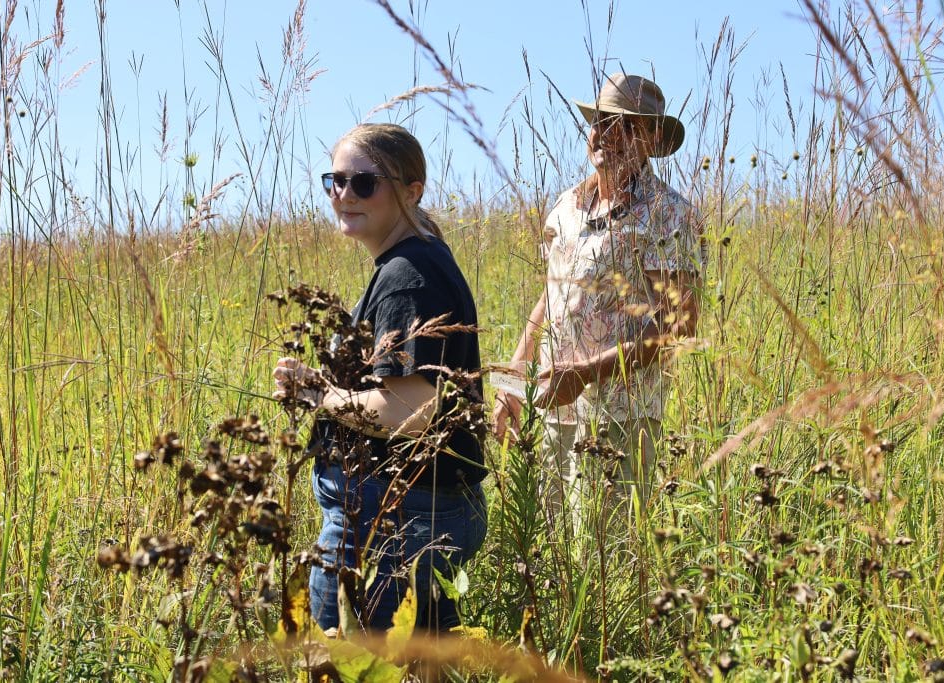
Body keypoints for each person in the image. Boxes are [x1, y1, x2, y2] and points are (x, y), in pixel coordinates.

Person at [273, 123, 487, 633]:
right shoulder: (415, 261)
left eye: (364, 183)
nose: (344, 194)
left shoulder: (406, 276)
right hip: (409, 511)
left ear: (411, 192)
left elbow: (408, 410)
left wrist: (318, 394)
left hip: (394, 520)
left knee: (349, 662)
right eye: (335, 180)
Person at [493, 73, 703, 524]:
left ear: (650, 139)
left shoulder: (670, 214)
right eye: (601, 122)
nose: (607, 135)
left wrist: (588, 373)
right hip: (551, 407)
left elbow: (679, 325)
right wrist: (512, 386)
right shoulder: (567, 206)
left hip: (620, 417)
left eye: (626, 126)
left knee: (603, 551)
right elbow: (549, 300)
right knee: (549, 549)